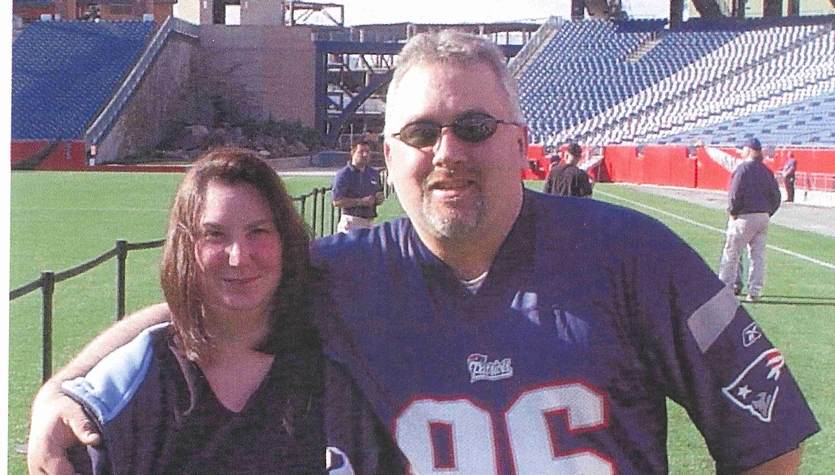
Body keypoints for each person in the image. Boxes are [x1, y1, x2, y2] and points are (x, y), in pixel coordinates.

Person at [28, 31, 818, 475]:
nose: (448, 151)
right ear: (387, 151)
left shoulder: (631, 257)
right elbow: (201, 311)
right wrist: (59, 388)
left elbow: (766, 442)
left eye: (473, 127)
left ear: (519, 140)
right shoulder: (347, 271)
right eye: (419, 133)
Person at [36, 148, 328, 474]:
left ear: (285, 240)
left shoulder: (338, 363)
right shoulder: (131, 392)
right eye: (214, 234)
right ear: (186, 247)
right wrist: (51, 396)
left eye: (258, 231)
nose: (238, 256)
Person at [718, 137, 782, 303]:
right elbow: (776, 196)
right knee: (757, 256)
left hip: (744, 217)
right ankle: (754, 291)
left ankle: (726, 288)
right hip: (763, 217)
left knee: (731, 253)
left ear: (749, 150)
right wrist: (768, 212)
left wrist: (733, 212)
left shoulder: (743, 169)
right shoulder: (766, 171)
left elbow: (734, 193)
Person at [332, 141, 384, 233]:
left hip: (370, 222)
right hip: (351, 222)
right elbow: (337, 201)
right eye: (361, 152)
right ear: (352, 153)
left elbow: (379, 193)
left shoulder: (373, 173)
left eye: (367, 152)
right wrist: (361, 202)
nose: (365, 155)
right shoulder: (344, 174)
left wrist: (379, 198)